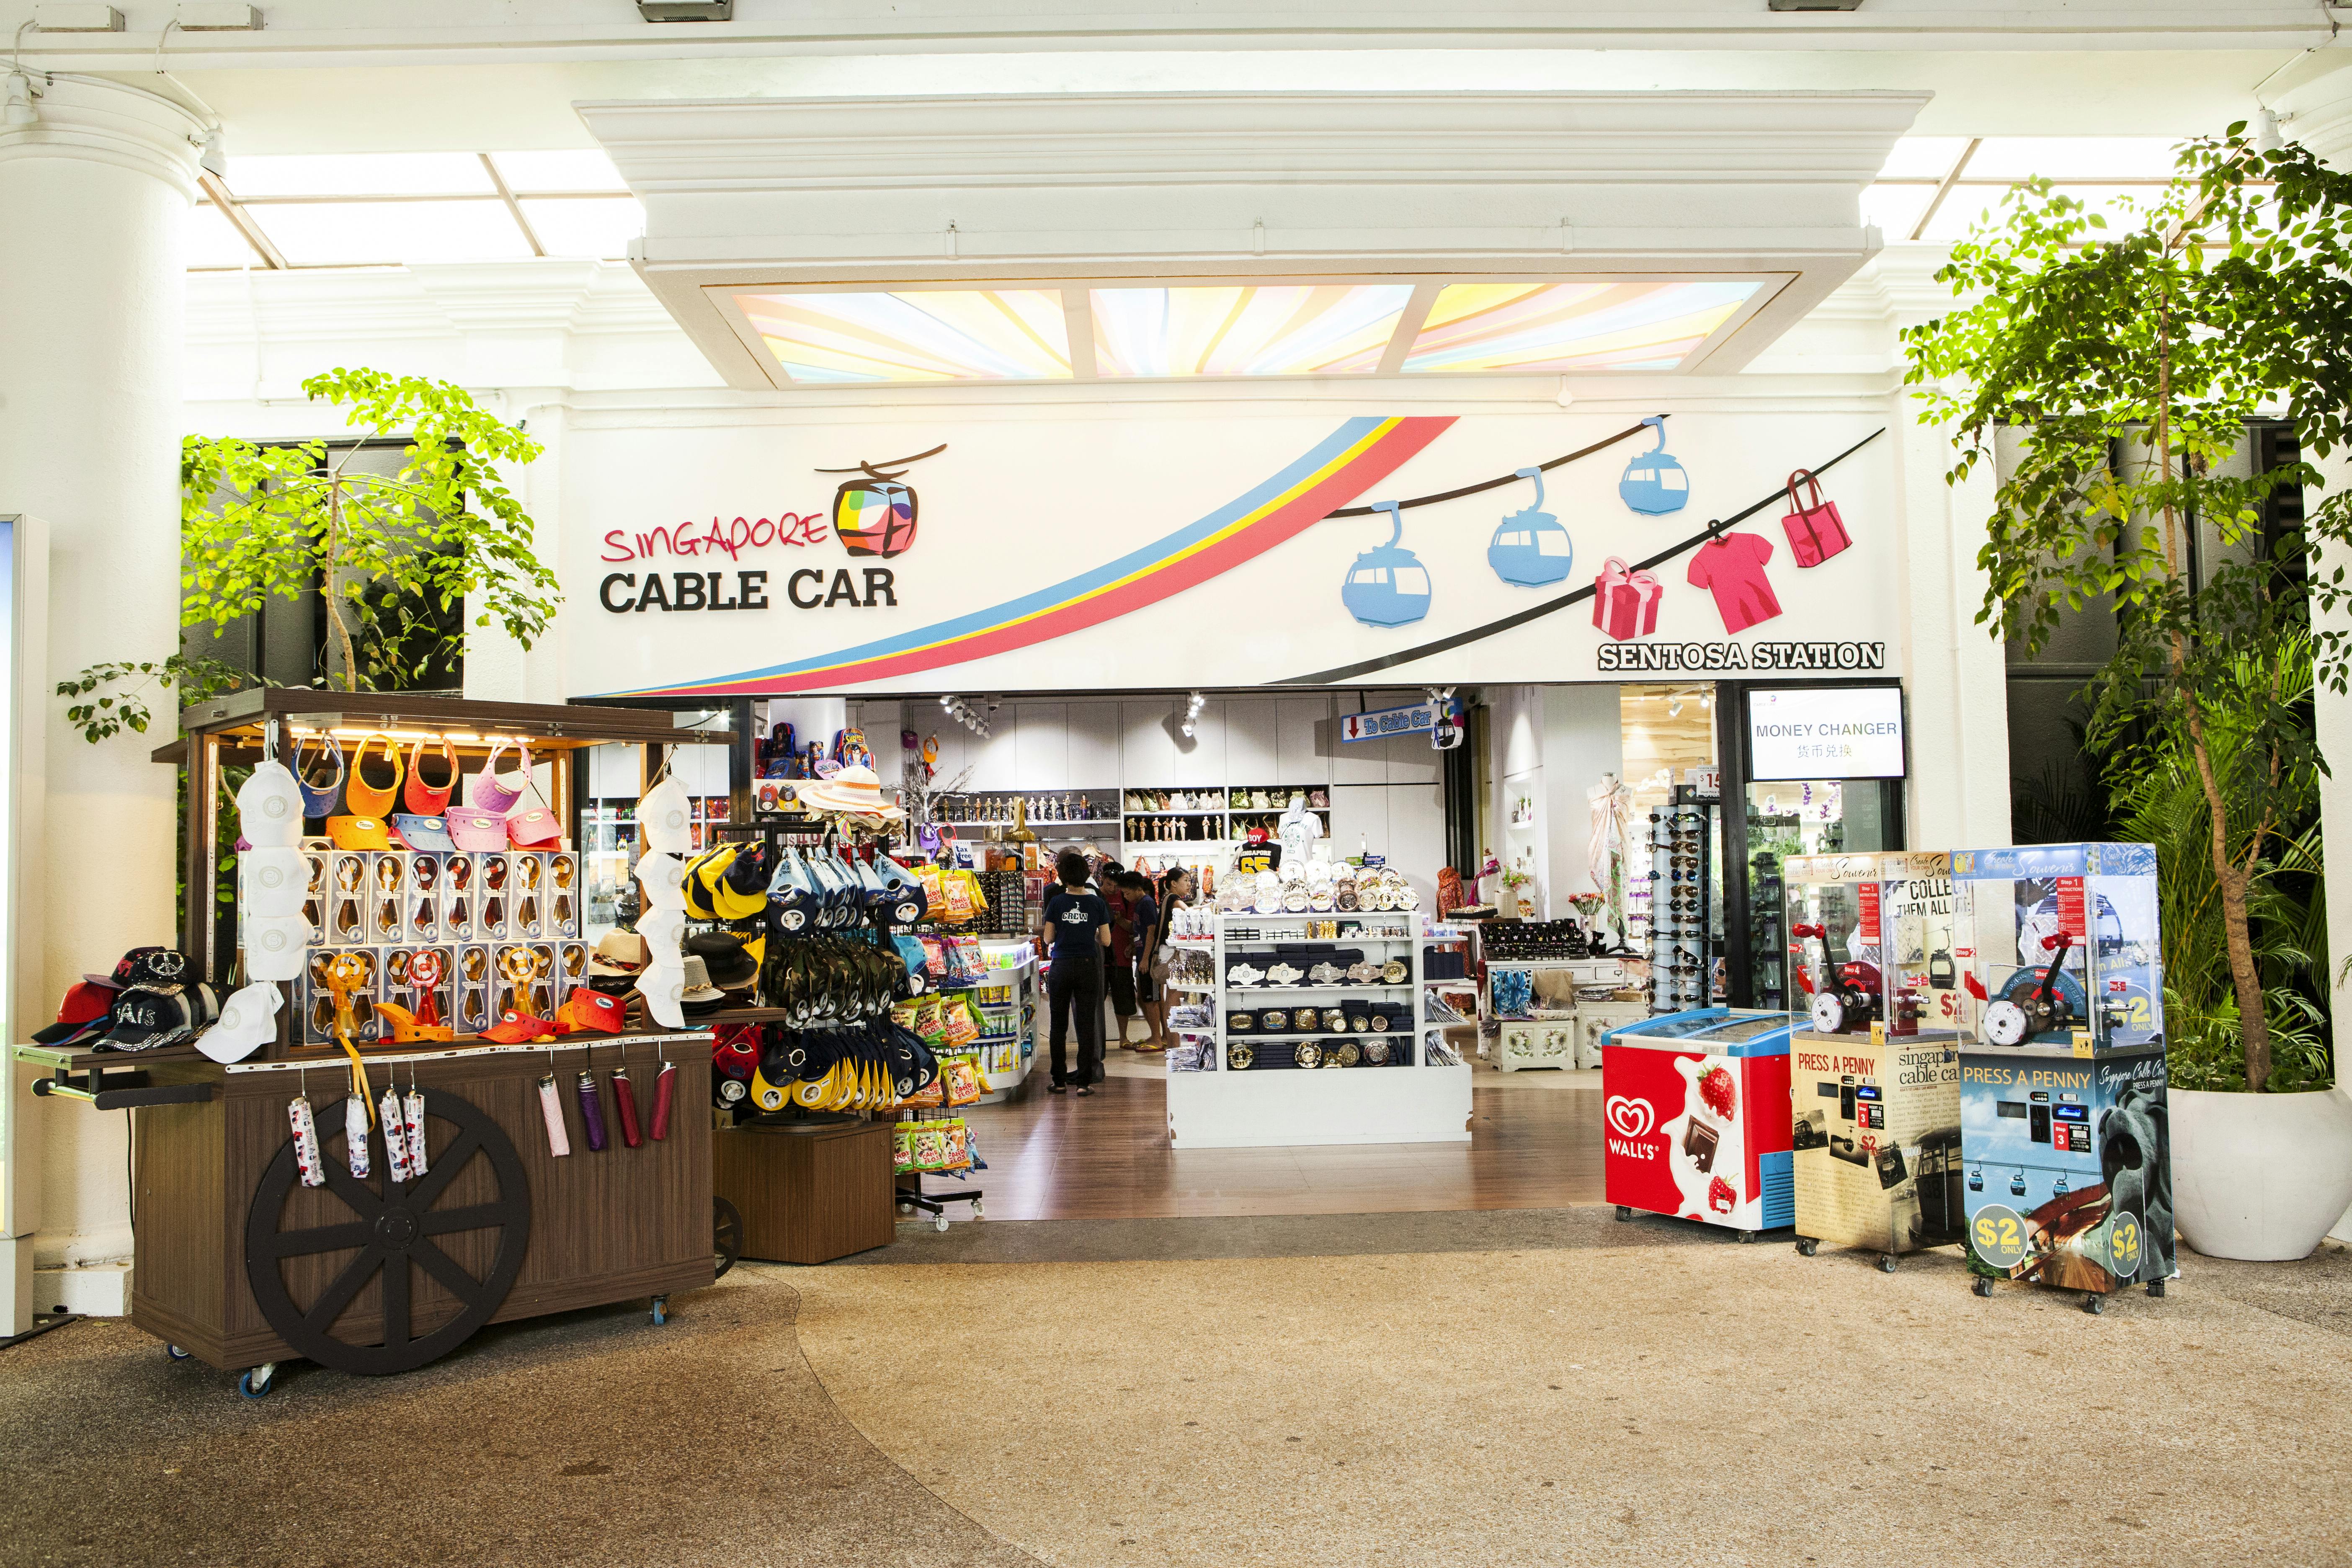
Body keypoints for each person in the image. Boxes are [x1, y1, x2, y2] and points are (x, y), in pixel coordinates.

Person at [1039, 847, 1112, 1096]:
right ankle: (1083, 1083)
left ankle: (1059, 1081)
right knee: (1086, 1024)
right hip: (1087, 966)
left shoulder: (1057, 901)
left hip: (1061, 966)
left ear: (1062, 875)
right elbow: (1107, 941)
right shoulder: (1097, 902)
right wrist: (1088, 931)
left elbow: (1048, 939)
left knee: (1058, 1026)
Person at [1138, 865, 1193, 1050]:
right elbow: (1191, 913)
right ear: (1173, 884)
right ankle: (1173, 1044)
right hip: (1172, 953)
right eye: (1185, 880)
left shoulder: (1166, 898)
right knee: (1173, 996)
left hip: (1166, 952)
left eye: (1189, 880)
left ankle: (1172, 1042)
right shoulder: (1174, 898)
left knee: (1171, 995)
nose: (1189, 884)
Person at [1100, 859, 1140, 1046]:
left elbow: (1134, 927)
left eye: (1117, 885)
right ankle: (1097, 1039)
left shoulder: (1126, 897)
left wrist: (1120, 920)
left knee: (1123, 1000)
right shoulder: (1095, 897)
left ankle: (1123, 1038)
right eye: (1109, 884)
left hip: (1121, 958)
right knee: (1095, 1000)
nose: (1113, 888)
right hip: (1099, 957)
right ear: (1102, 879)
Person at [1121, 870, 1161, 1049]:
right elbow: (1140, 931)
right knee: (1143, 998)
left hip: (1149, 960)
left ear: (1138, 889)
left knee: (1150, 999)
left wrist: (1146, 959)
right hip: (1142, 958)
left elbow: (1152, 932)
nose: (1126, 896)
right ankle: (1159, 1035)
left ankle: (1157, 1039)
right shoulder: (1139, 904)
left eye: (1128, 893)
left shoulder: (1147, 903)